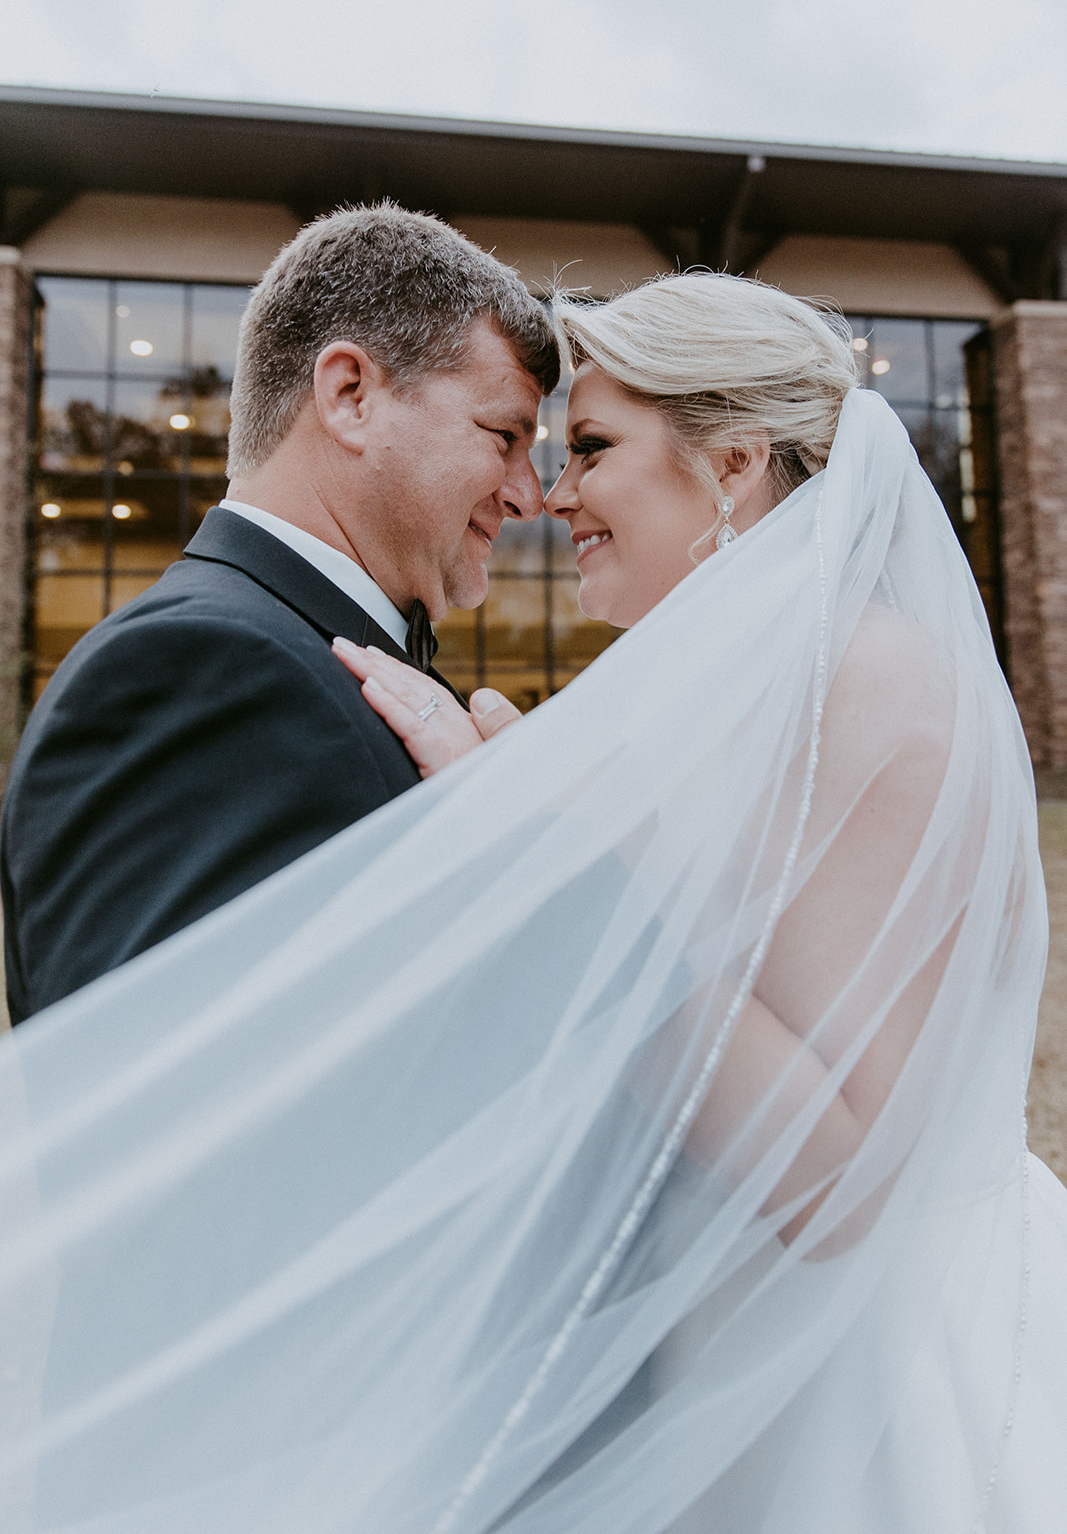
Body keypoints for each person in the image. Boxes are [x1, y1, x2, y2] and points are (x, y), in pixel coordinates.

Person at [1, 271, 1066, 1533]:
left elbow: (839, 1174)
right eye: (520, 443)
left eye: (586, 449)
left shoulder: (877, 685)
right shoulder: (693, 693)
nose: (547, 492)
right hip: (679, 1362)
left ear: (728, 467)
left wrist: (530, 856)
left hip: (861, 1378)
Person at [0, 203, 558, 1022]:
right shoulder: (199, 669)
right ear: (349, 395)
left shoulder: (313, 653)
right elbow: (154, 1104)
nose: (527, 495)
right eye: (504, 434)